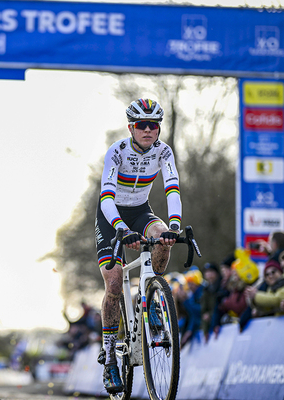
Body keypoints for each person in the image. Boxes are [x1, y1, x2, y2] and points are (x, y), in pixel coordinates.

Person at [95, 98, 182, 393]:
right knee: (115, 284)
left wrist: (174, 225)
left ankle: (152, 300)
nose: (148, 130)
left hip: (141, 210)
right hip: (111, 215)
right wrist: (121, 229)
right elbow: (106, 197)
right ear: (131, 127)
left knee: (163, 238)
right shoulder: (116, 152)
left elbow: (172, 188)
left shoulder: (164, 151)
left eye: (153, 125)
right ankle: (109, 357)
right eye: (142, 125)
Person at [200, 262, 222, 342]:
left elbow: (219, 306)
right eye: (207, 272)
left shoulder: (221, 286)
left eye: (211, 272)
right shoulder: (206, 290)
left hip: (219, 320)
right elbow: (203, 310)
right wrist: (205, 330)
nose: (209, 275)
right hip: (211, 321)